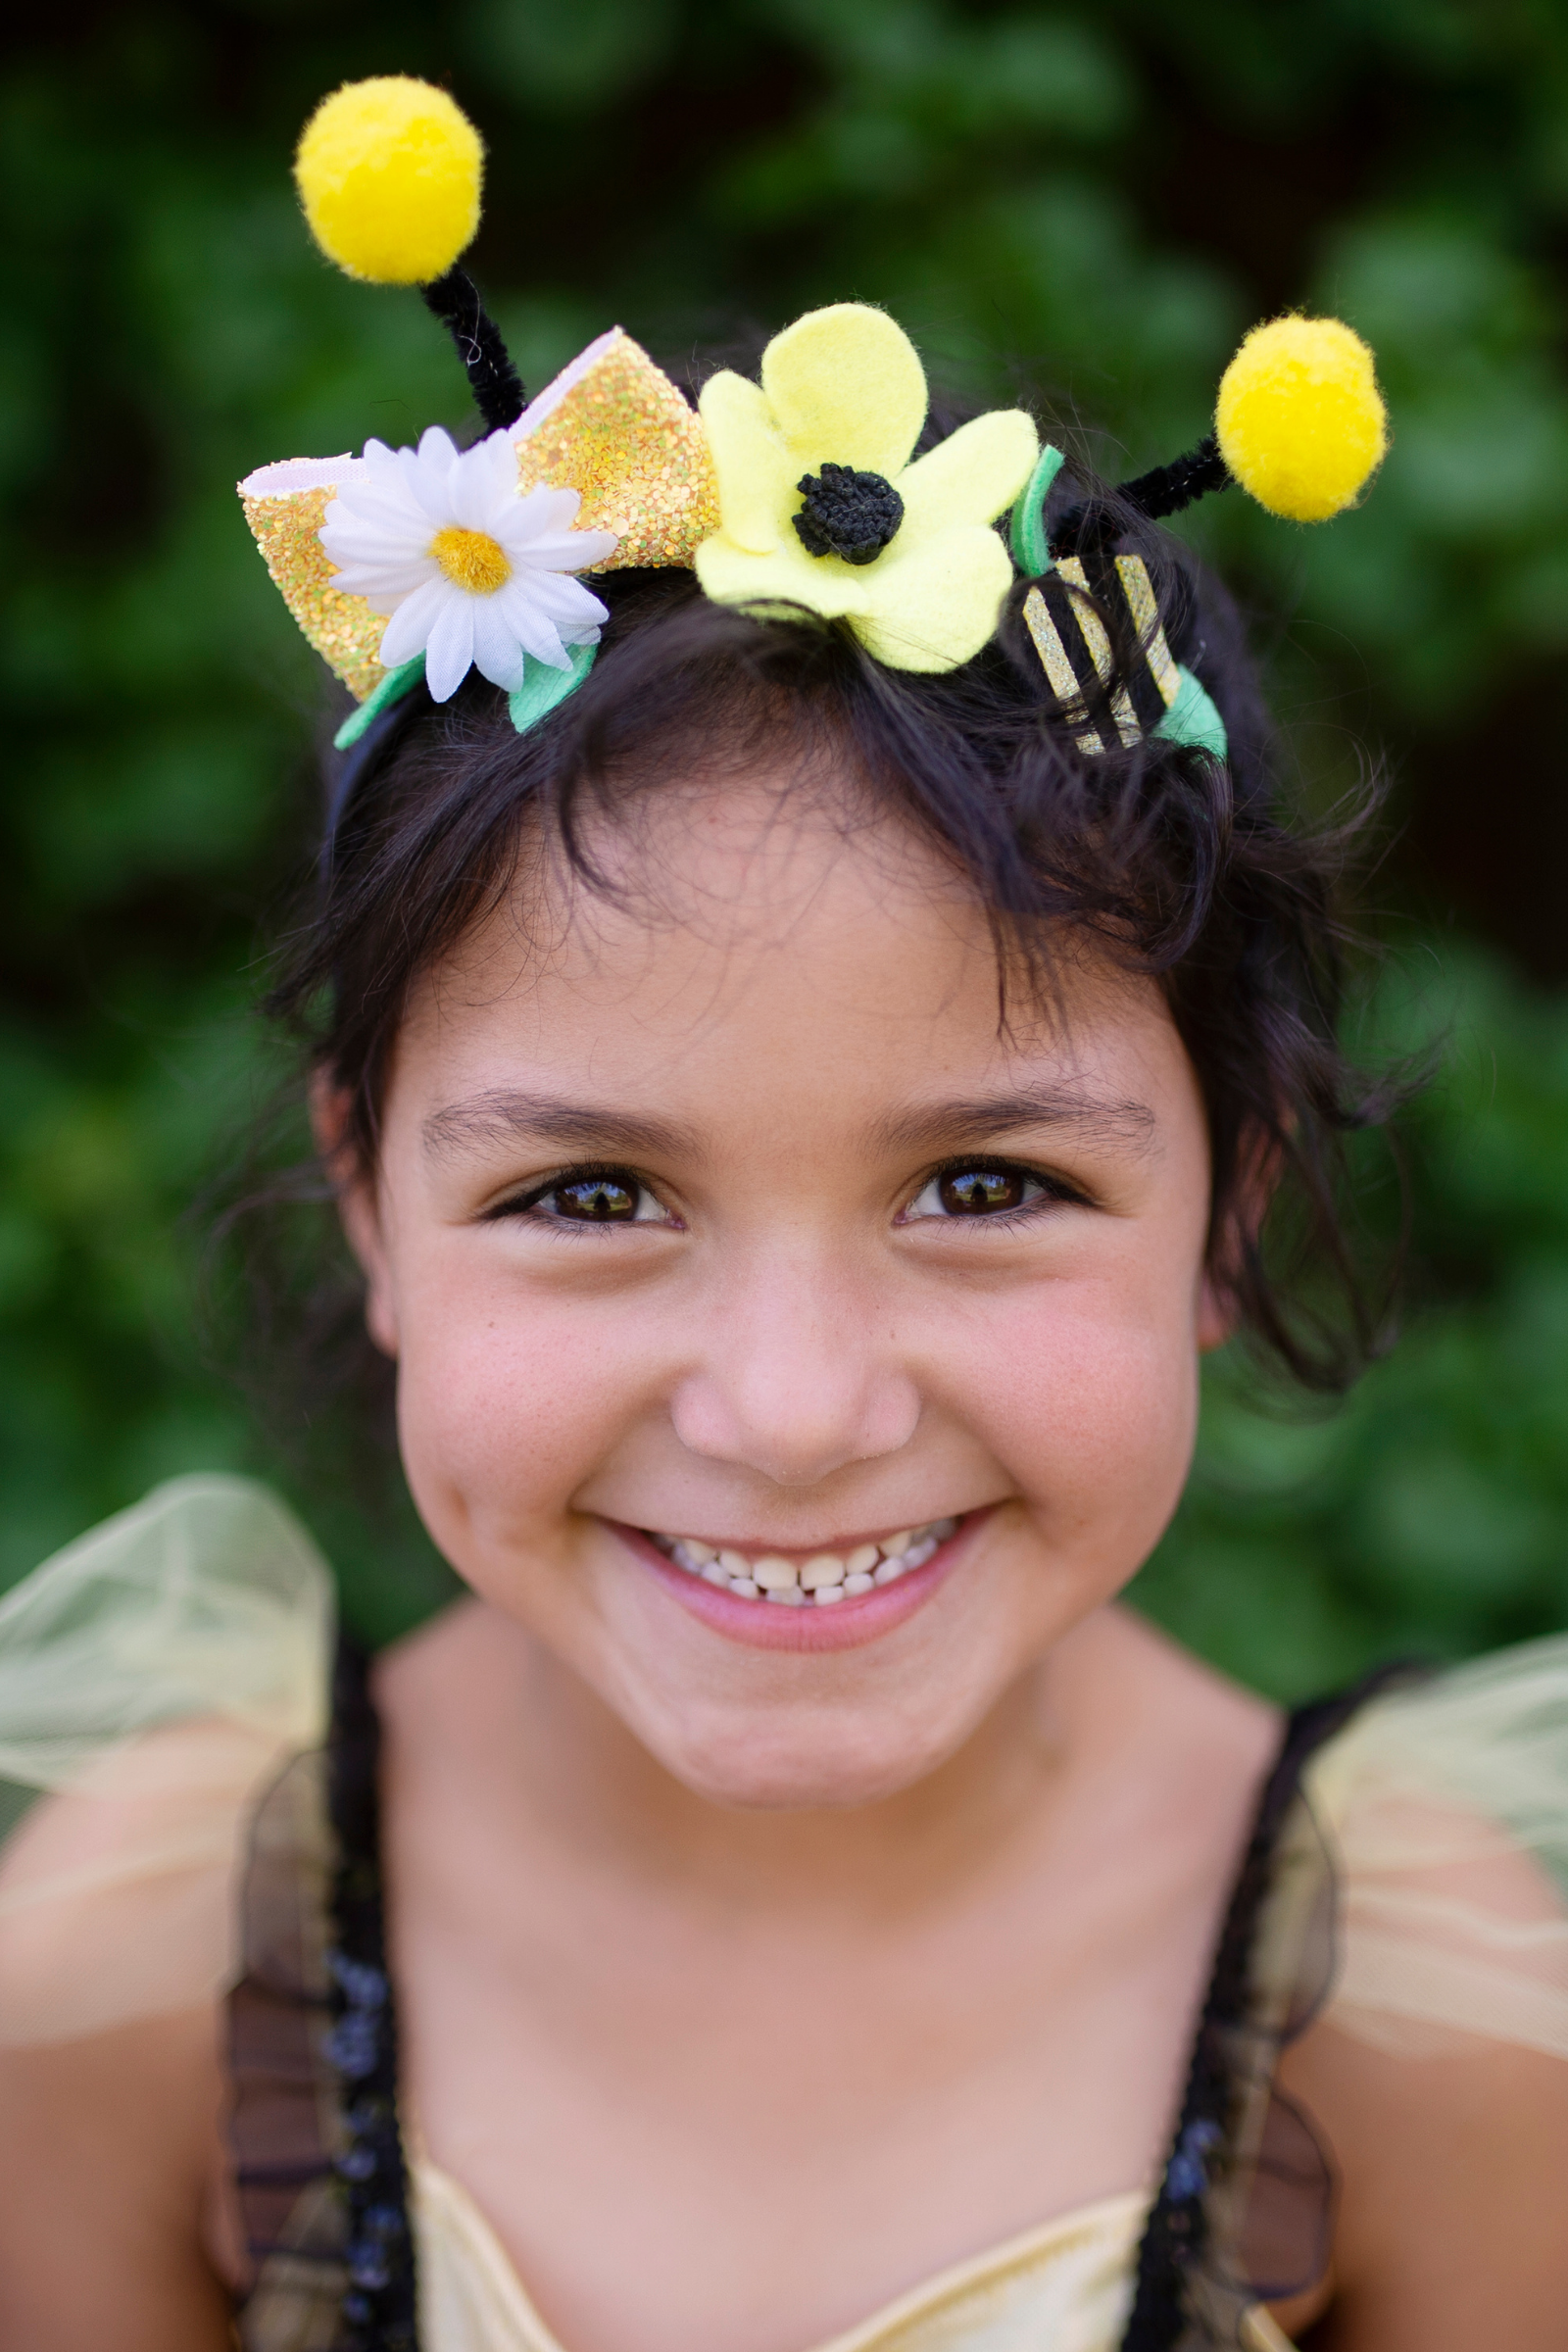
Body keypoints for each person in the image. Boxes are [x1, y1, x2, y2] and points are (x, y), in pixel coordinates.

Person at [0, 74, 1564, 2352]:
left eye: (987, 1184)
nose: (795, 1410)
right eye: (589, 1192)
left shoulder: (1416, 2026)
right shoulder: (139, 1977)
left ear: (1226, 1211)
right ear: (370, 1208)